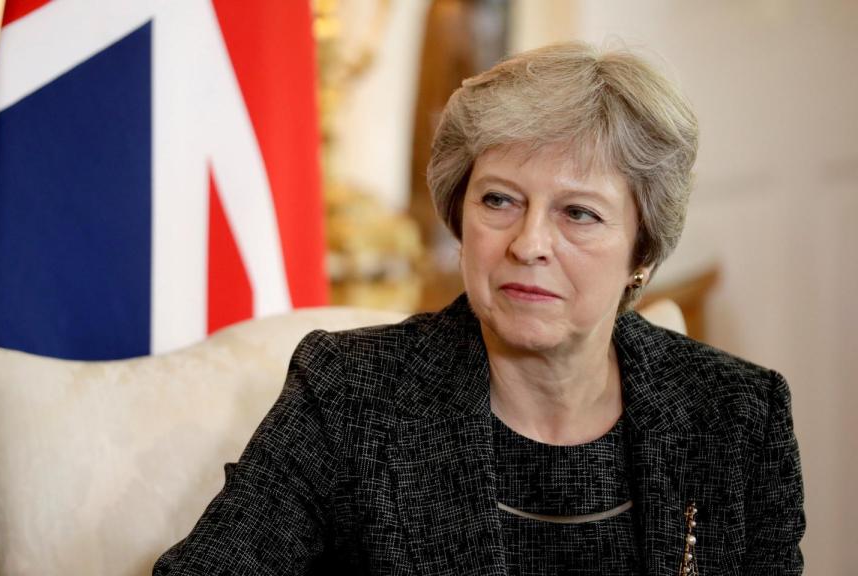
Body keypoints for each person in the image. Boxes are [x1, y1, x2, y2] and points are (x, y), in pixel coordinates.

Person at [154, 41, 804, 575]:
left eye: (579, 213)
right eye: (499, 200)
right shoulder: (350, 394)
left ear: (644, 252)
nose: (529, 243)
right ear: (460, 218)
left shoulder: (739, 416)